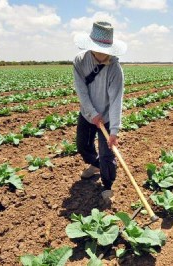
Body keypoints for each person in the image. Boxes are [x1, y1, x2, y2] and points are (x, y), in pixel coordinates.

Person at [72, 21, 127, 203]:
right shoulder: (80, 61)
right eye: (98, 49)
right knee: (83, 146)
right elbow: (82, 91)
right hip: (88, 114)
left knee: (107, 153)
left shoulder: (114, 70)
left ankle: (107, 185)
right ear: (91, 47)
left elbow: (116, 100)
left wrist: (114, 131)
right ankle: (96, 166)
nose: (102, 53)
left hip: (107, 116)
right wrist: (92, 114)